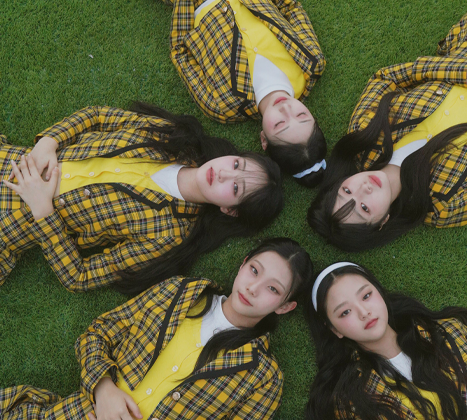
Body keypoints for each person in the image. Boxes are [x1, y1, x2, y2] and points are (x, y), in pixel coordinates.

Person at [308, 0, 467, 251]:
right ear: (382, 222)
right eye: (364, 208)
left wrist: (461, 70)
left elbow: (386, 78)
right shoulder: (442, 205)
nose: (364, 189)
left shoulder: (363, 136)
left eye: (346, 191)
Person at [0, 237, 313, 420]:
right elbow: (99, 332)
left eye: (273, 289)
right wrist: (103, 388)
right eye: (254, 270)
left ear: (284, 306)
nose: (254, 288)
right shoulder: (178, 292)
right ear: (243, 264)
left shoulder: (263, 378)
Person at [1, 104, 283, 294]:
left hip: (9, 223)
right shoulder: (171, 135)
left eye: (235, 188)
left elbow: (79, 276)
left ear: (230, 210)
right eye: (236, 165)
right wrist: (48, 142)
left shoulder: (168, 236)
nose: (223, 174)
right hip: (10, 161)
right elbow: (98, 116)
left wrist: (43, 211)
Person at [306, 262, 467, 419]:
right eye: (345, 312)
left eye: (366, 295)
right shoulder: (350, 398)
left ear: (380, 293)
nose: (363, 312)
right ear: (334, 329)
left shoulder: (450, 332)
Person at [160, 0, 328, 187]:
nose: (286, 109)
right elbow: (291, 7)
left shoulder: (223, 105)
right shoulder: (310, 64)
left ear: (264, 139)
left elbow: (180, 52)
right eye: (302, 115)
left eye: (280, 124)